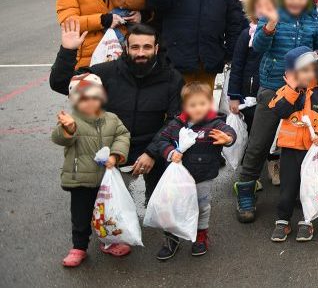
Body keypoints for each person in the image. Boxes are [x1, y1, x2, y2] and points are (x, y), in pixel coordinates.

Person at [50, 21, 184, 206]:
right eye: (135, 47)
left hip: (152, 145)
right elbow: (61, 83)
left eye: (147, 47)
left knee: (162, 204)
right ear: (125, 48)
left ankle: (155, 199)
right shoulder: (106, 73)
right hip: (112, 146)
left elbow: (175, 121)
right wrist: (68, 51)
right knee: (110, 212)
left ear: (156, 48)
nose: (141, 53)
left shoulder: (172, 78)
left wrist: (152, 153)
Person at [234, 0, 318, 223]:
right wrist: (270, 27)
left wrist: (316, 57)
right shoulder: (272, 16)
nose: (296, 0)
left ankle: (295, 190)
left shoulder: (314, 20)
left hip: (302, 92)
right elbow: (258, 48)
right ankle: (245, 190)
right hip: (272, 88)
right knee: (259, 144)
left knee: (298, 145)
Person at [52, 73, 131, 267]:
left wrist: (116, 155)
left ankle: (108, 242)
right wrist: (68, 129)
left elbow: (123, 135)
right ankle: (79, 247)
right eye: (83, 98)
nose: (89, 102)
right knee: (81, 216)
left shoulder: (111, 118)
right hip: (81, 180)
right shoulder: (72, 120)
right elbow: (59, 138)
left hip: (105, 180)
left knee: (106, 214)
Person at [149, 82, 235, 259]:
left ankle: (200, 236)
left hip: (202, 176)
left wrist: (228, 139)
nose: (198, 109)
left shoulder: (215, 124)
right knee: (172, 207)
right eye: (192, 105)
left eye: (202, 104)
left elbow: (228, 132)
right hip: (178, 179)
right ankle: (172, 237)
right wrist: (171, 152)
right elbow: (162, 140)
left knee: (202, 207)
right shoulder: (176, 124)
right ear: (185, 106)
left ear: (210, 103)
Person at [268, 48, 318, 243]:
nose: (309, 74)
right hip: (290, 150)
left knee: (310, 188)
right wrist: (291, 89)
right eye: (303, 71)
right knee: (287, 188)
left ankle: (308, 221)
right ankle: (283, 220)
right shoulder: (284, 93)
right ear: (292, 73)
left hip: (312, 152)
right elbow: (277, 110)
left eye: (312, 70)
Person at [227, 0, 278, 132]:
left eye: (266, 6)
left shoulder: (279, 32)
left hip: (272, 92)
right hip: (249, 94)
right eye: (258, 6)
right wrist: (234, 96)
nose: (262, 10)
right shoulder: (246, 34)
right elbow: (237, 65)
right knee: (249, 128)